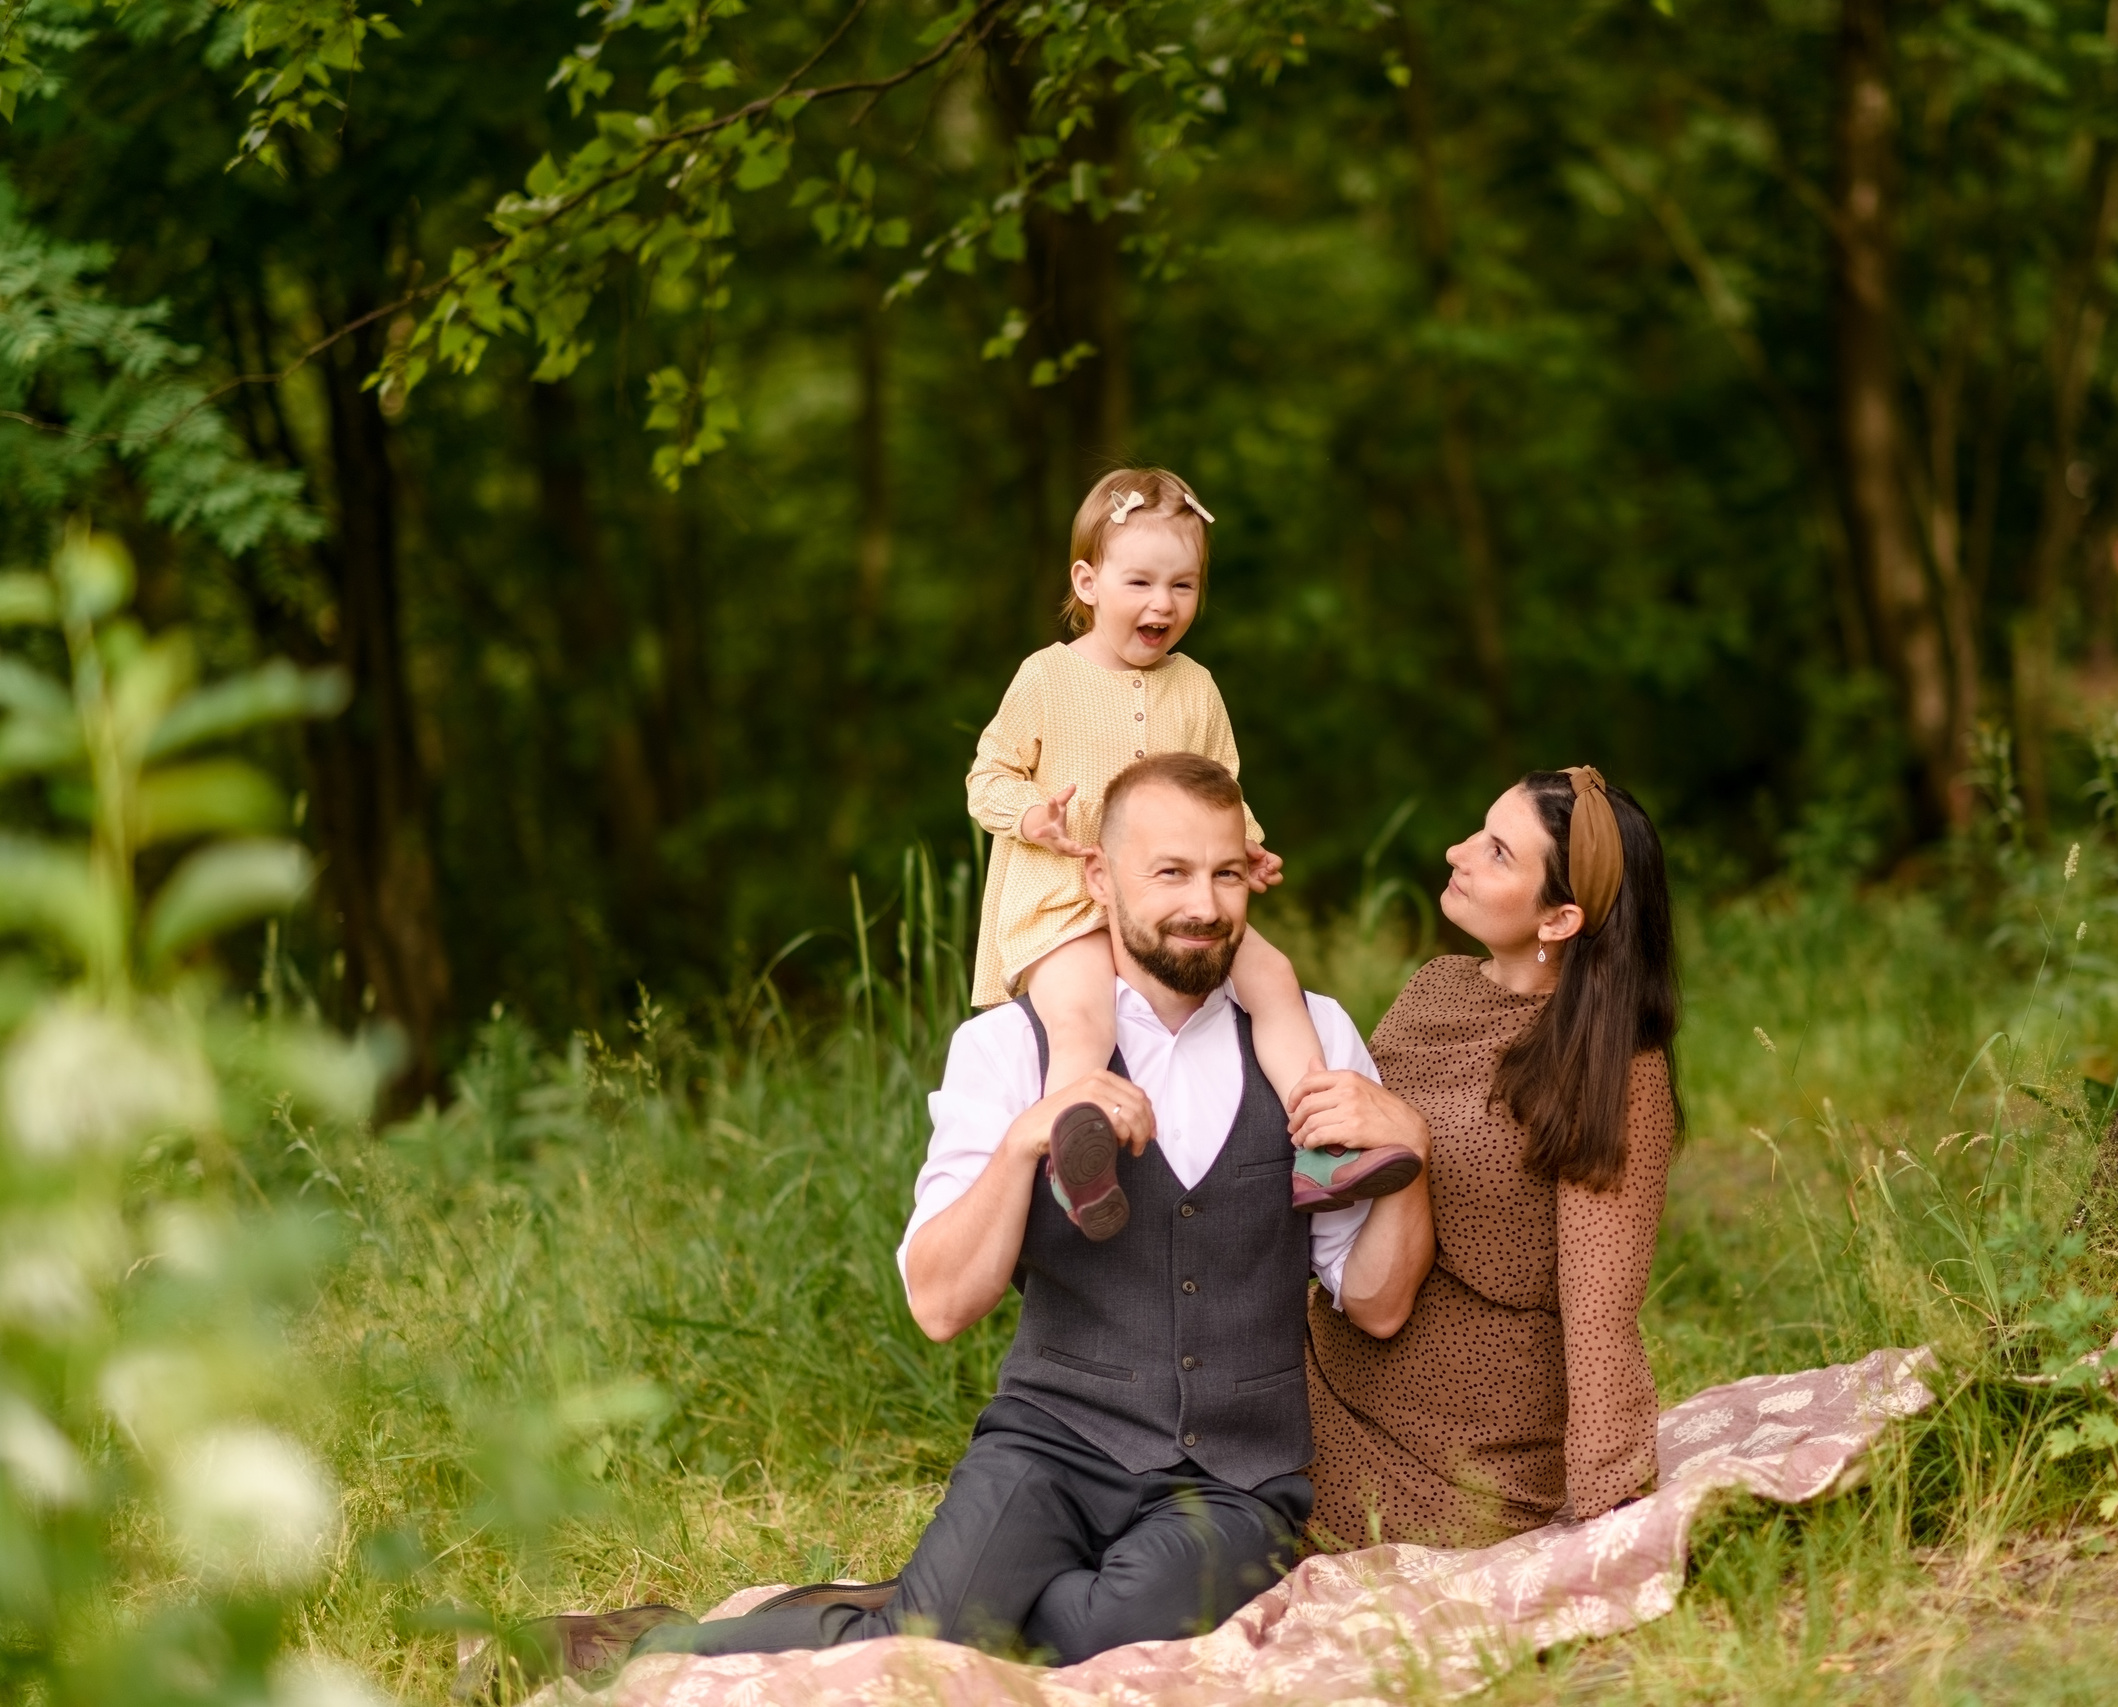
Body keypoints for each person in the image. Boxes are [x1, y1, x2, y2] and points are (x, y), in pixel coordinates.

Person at [574, 754, 1439, 1672]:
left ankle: (947, 1605)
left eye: (1227, 873)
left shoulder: (1314, 1038)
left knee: (1109, 1636)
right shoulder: (1009, 1046)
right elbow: (940, 1304)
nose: (1205, 903)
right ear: (1100, 877)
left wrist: (1410, 1155)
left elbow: (1379, 1305)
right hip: (1051, 1442)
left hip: (1234, 1479)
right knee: (922, 1651)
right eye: (1171, 872)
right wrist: (1028, 1138)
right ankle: (639, 1646)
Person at [965, 468, 1420, 1236]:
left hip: (1178, 902)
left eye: (1183, 585)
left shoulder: (1197, 687)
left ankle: (1322, 1148)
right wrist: (1031, 815)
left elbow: (1223, 788)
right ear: (1087, 582)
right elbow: (989, 775)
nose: (1163, 603)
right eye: (1140, 582)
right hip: (1066, 901)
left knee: (1274, 978)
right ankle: (1077, 1163)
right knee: (1082, 1018)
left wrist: (1246, 846)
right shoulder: (1047, 677)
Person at [1306, 768, 1682, 1549]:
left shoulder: (1612, 1069)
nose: (1458, 852)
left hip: (1453, 1460)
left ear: (1560, 918)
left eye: (1498, 852)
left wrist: (1615, 1516)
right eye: (1480, 831)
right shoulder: (1435, 987)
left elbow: (1602, 1315)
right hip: (1324, 1362)